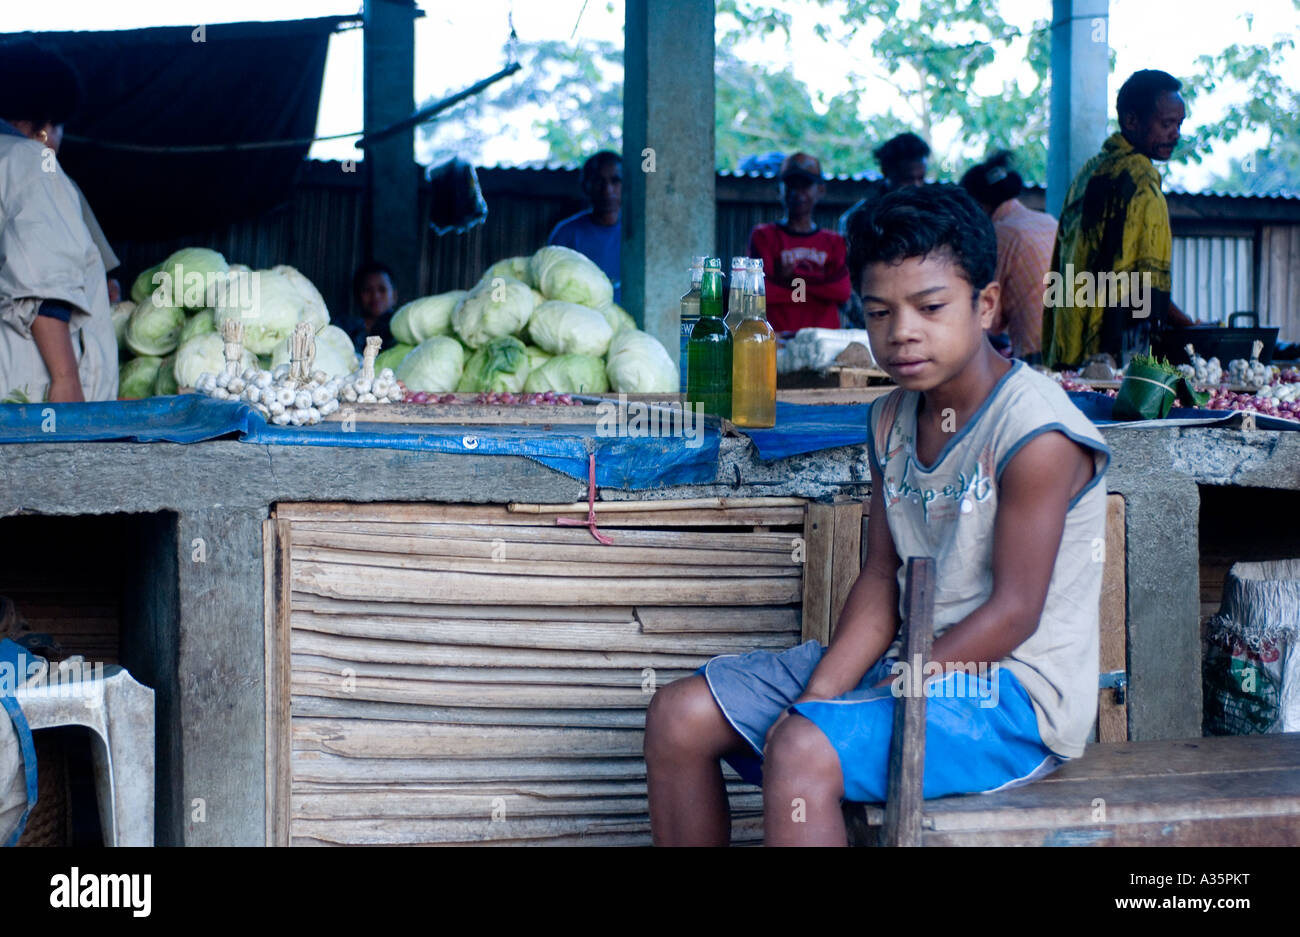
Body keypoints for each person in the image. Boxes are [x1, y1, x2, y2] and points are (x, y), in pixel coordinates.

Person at [644, 184, 1110, 846]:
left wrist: (882, 687)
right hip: (912, 655)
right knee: (678, 715)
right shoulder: (889, 418)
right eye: (881, 312)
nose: (902, 333)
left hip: (1013, 698)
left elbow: (1015, 611)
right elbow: (880, 579)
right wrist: (821, 694)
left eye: (930, 307)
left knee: (801, 751)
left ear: (985, 304)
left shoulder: (1034, 431)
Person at [1042, 69, 1195, 370]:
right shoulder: (1141, 181)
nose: (1175, 134)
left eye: (1179, 124)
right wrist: (1187, 324)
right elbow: (1143, 289)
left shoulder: (1089, 172)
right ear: (1131, 120)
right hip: (1111, 357)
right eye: (1166, 124)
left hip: (1068, 342)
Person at [0, 41, 117, 403]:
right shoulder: (33, 162)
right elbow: (44, 284)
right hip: (33, 392)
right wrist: (66, 382)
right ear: (42, 126)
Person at [960, 151, 1058, 361]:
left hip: (1038, 354)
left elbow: (990, 320)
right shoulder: (1048, 220)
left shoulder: (1001, 234)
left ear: (977, 205)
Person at [746, 153, 851, 333]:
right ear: (779, 189)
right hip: (778, 340)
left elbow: (841, 291)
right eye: (790, 185)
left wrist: (789, 278)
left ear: (820, 190)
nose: (797, 193)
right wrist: (819, 285)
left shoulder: (834, 241)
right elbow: (762, 293)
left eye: (805, 186)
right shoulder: (763, 236)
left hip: (823, 343)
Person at [838, 133, 930, 327]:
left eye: (921, 179)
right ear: (886, 172)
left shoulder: (930, 218)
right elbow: (846, 283)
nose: (916, 187)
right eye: (908, 179)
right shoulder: (857, 220)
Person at [548, 151, 621, 303]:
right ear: (586, 186)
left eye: (615, 181)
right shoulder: (566, 235)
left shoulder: (639, 234)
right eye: (599, 181)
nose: (607, 190)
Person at [340, 262, 398, 354]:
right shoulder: (343, 328)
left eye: (382, 289)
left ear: (394, 296)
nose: (375, 296)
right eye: (367, 290)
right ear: (358, 296)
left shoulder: (400, 332)